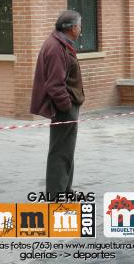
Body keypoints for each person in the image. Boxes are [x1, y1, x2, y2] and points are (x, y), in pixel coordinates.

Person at [30, 10, 85, 201]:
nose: (81, 29)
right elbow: (54, 85)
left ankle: (65, 191)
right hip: (64, 108)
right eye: (79, 25)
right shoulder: (55, 47)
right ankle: (56, 195)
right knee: (60, 151)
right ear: (71, 28)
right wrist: (66, 106)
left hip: (68, 105)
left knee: (66, 150)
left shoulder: (61, 43)